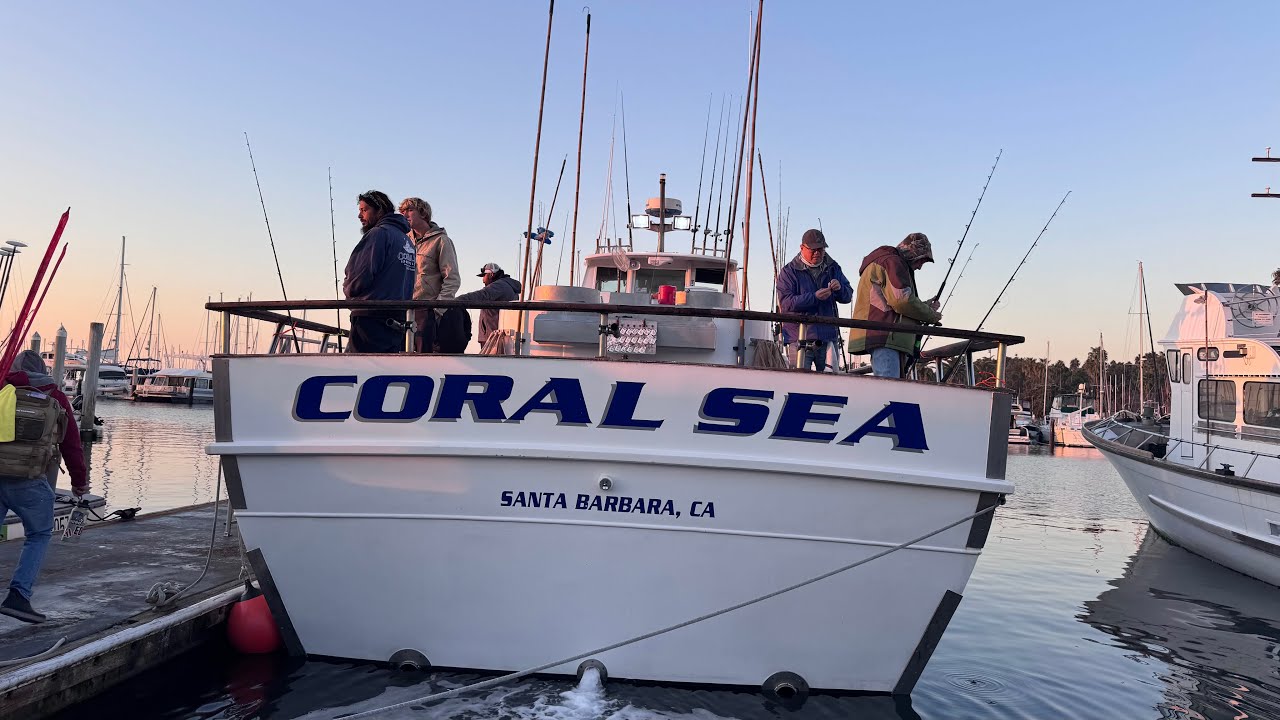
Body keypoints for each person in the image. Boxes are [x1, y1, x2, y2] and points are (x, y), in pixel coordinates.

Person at [0, 350, 89, 624]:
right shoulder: (55, 396)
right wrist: (79, 482)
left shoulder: (2, 388)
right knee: (38, 534)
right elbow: (71, 445)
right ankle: (18, 596)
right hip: (29, 479)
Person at [847, 232, 942, 378]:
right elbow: (901, 301)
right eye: (921, 261)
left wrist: (925, 306)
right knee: (888, 387)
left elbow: (894, 300)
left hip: (885, 337)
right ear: (912, 253)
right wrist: (931, 315)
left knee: (891, 387)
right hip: (886, 337)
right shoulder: (892, 261)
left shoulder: (886, 260)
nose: (920, 267)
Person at [343, 191, 415, 353]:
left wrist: (349, 293)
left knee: (360, 366)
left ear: (380, 210)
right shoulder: (407, 241)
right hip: (398, 319)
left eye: (364, 210)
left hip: (370, 320)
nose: (359, 216)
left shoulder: (378, 234)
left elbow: (358, 276)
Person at [776, 229, 853, 371]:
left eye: (821, 249)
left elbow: (848, 296)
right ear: (802, 248)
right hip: (799, 339)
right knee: (799, 381)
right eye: (813, 249)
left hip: (828, 339)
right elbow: (786, 303)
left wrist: (840, 288)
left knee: (830, 383)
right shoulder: (788, 272)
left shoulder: (833, 268)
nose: (817, 252)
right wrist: (814, 297)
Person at [399, 197, 460, 353]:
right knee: (397, 357)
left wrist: (437, 310)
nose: (404, 214)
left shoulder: (441, 241)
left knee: (423, 358)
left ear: (423, 214)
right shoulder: (402, 240)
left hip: (426, 311)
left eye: (410, 210)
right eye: (402, 211)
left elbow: (452, 278)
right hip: (401, 309)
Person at [457, 263, 522, 349]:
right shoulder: (507, 286)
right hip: (497, 336)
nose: (483, 280)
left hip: (493, 337)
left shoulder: (499, 286)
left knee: (490, 358)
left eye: (484, 275)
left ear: (491, 274)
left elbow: (481, 295)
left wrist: (457, 300)